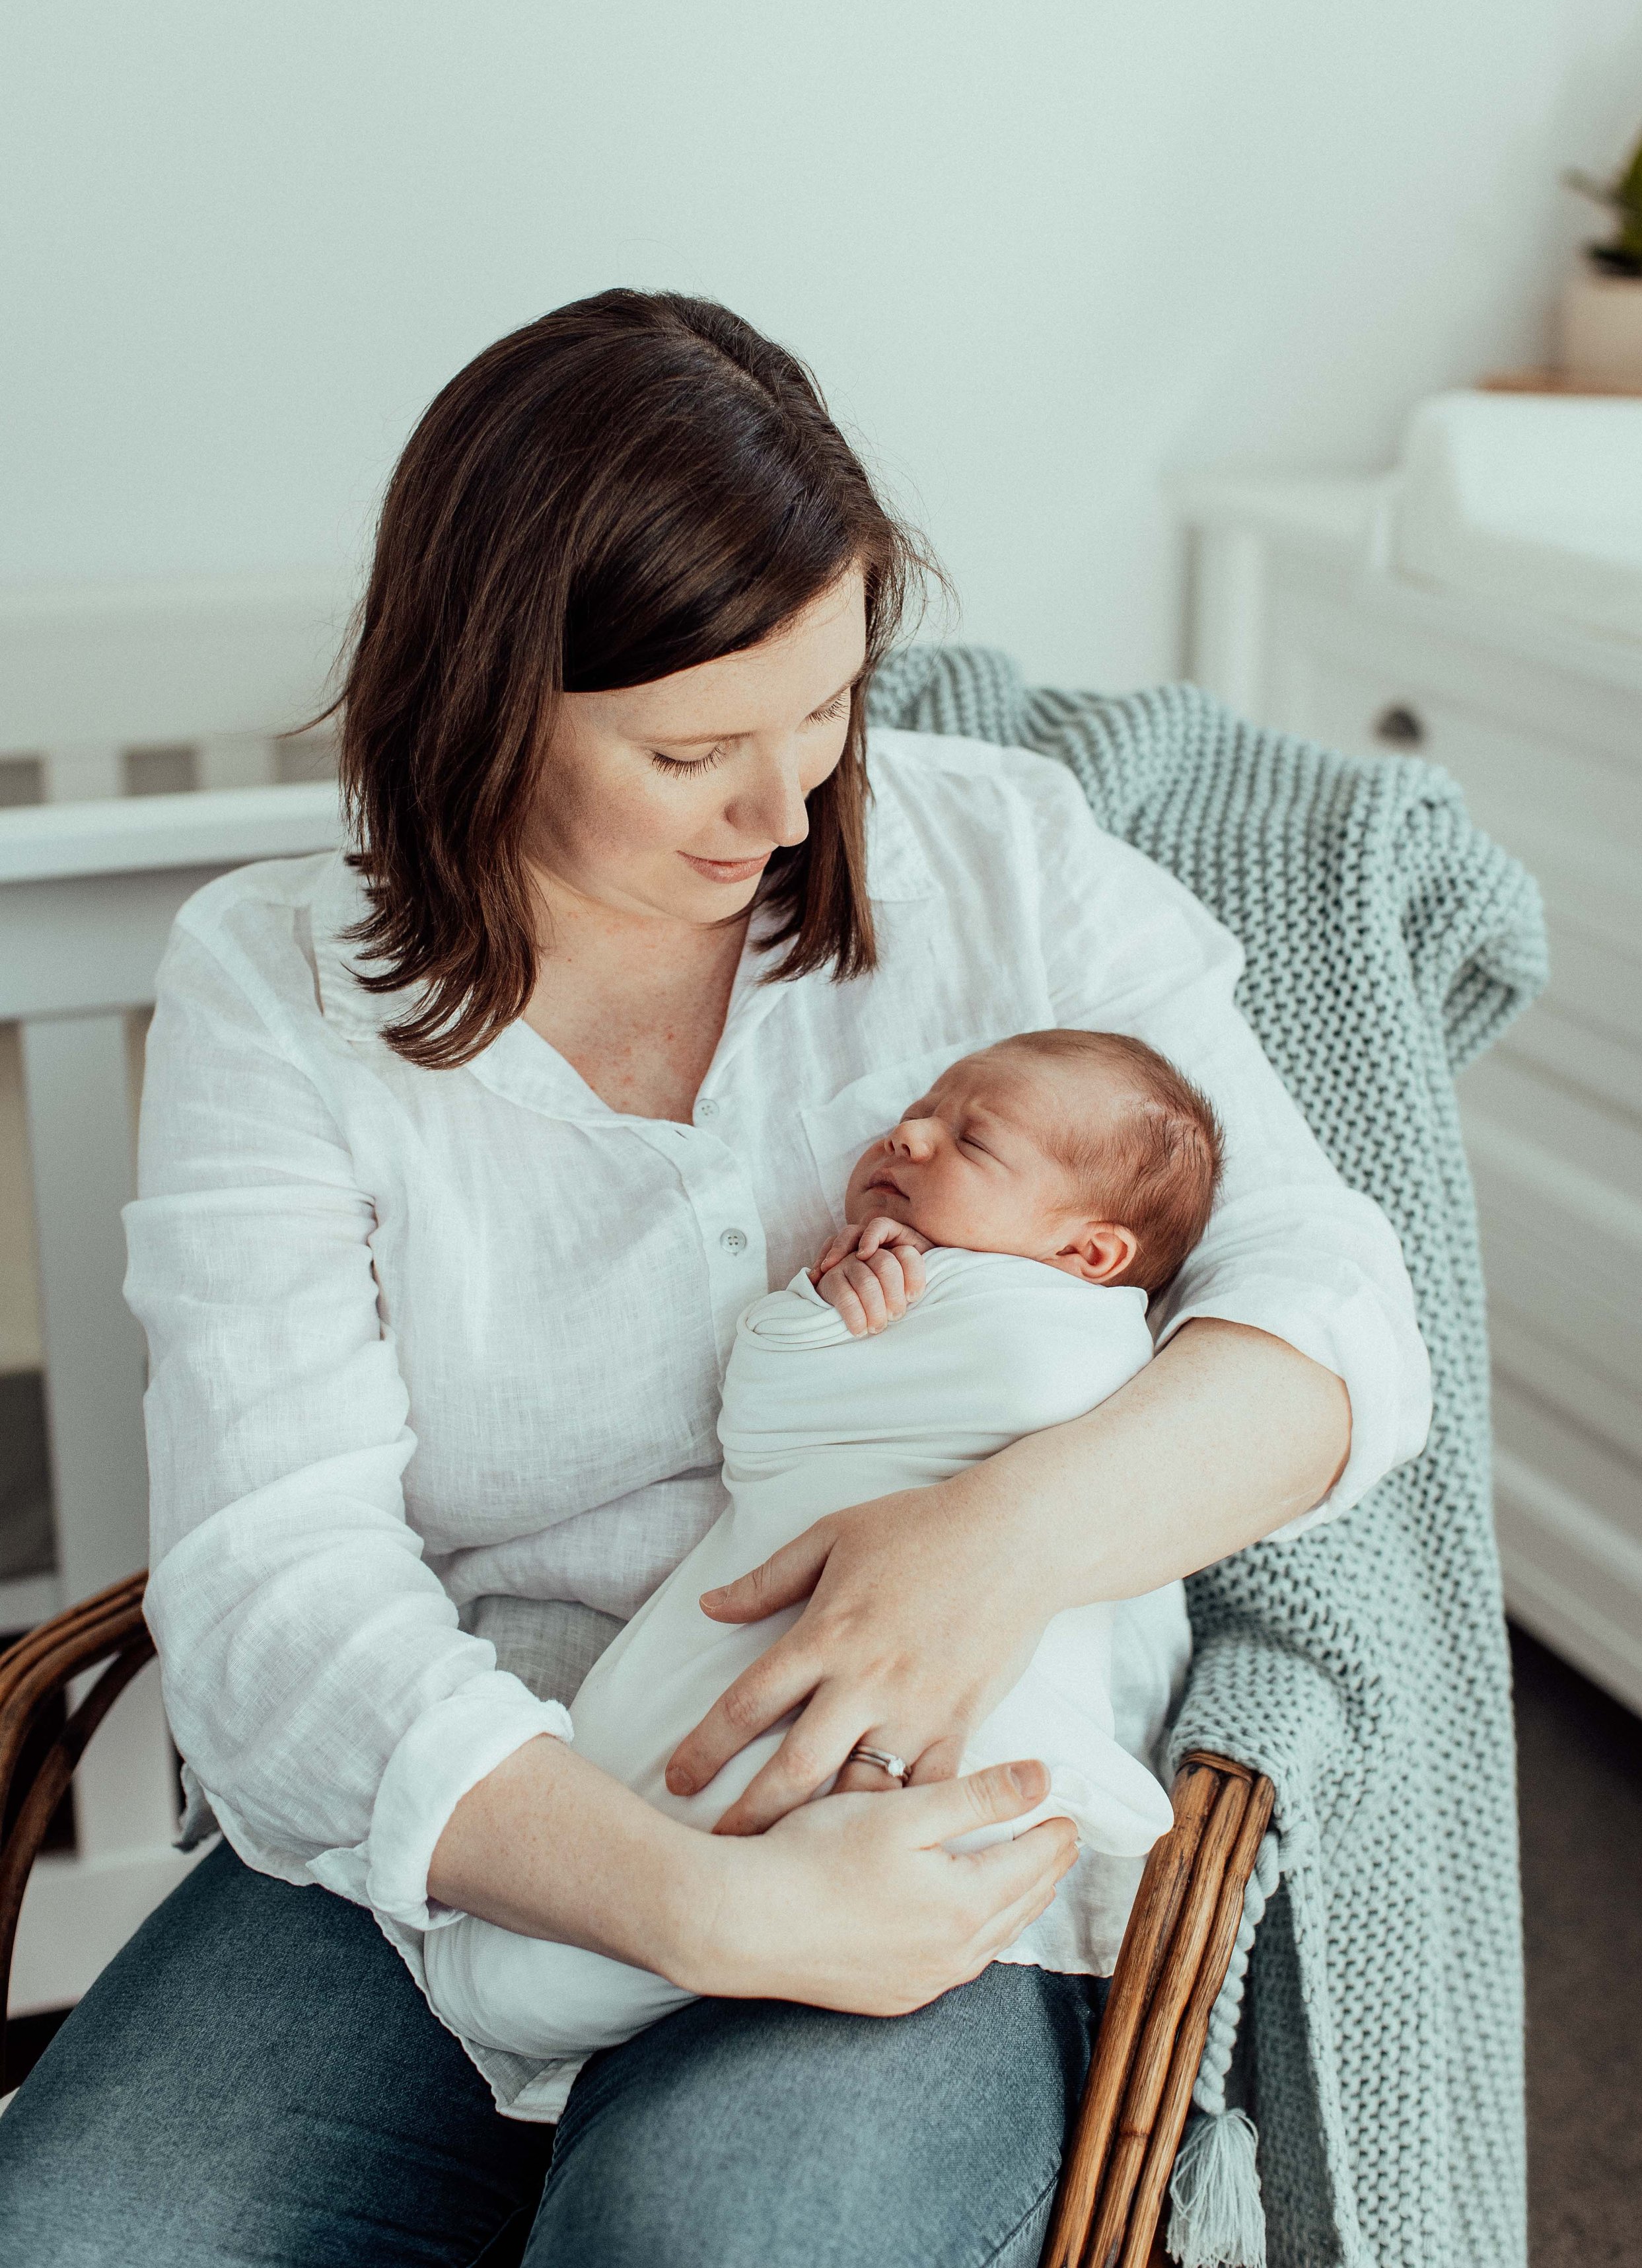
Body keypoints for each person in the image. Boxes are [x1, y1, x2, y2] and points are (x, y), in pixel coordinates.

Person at [0, 291, 1431, 2268]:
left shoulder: (999, 863)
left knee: (710, 2229)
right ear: (489, 694)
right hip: (475, 1786)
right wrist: (703, 1902)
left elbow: (1336, 1316)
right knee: (82, 2234)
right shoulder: (280, 984)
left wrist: (991, 1543)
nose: (785, 811)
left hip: (909, 1768)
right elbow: (274, 1575)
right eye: (692, 749)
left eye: (828, 706)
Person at [423, 1030, 1223, 2085]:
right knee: (657, 1772)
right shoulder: (870, 1286)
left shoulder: (1082, 1335)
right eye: (922, 1107)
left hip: (952, 1706)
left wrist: (849, 1337)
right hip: (747, 1613)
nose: (911, 1130)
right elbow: (762, 1439)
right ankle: (665, 1940)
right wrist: (811, 1317)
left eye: (972, 1139)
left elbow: (1048, 1389)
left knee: (771, 1805)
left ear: (1090, 1254)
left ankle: (610, 1972)